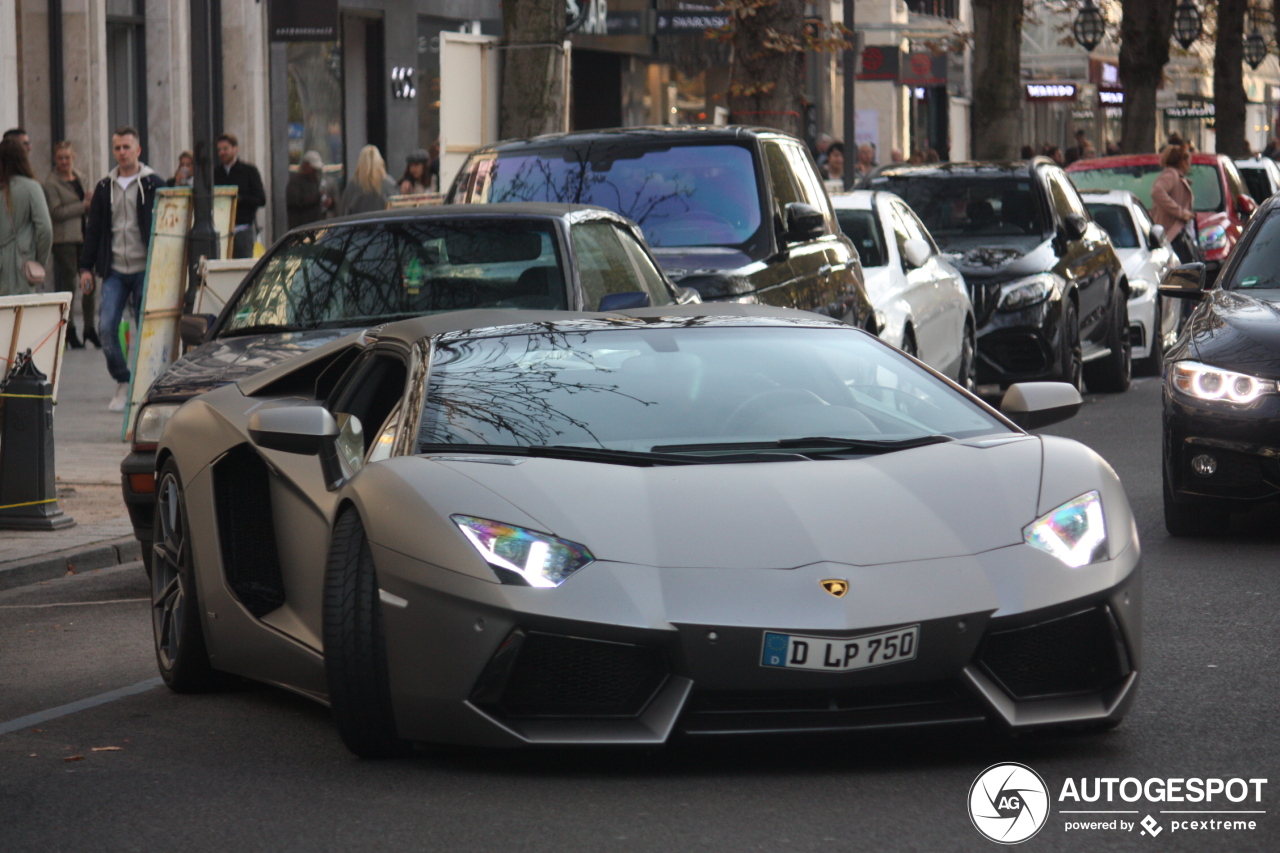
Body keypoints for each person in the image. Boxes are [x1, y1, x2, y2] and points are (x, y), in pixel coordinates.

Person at [78, 126, 165, 412]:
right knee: (106, 327)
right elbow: (94, 230)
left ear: (138, 150)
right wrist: (85, 268)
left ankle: (147, 383)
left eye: (127, 147)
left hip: (144, 268)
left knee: (146, 328)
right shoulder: (105, 187)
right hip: (114, 269)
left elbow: (167, 226)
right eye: (117, 148)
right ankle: (123, 380)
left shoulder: (154, 183)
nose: (122, 152)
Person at [42, 141, 96, 347]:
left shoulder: (81, 177)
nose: (64, 161)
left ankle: (90, 327)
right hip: (64, 239)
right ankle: (70, 328)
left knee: (90, 282)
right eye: (60, 158)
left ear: (74, 157)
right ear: (55, 159)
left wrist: (90, 205)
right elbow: (55, 212)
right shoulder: (51, 183)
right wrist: (82, 205)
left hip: (85, 235)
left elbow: (87, 208)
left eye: (68, 157)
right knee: (69, 284)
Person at [0, 138, 53, 298]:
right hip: (22, 264)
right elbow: (45, 229)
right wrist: (38, 262)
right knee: (20, 318)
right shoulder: (31, 187)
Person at [215, 133, 266, 258]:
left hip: (242, 229)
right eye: (219, 150)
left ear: (235, 149)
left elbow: (260, 199)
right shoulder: (215, 173)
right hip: (220, 230)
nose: (222, 153)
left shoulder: (249, 171)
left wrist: (239, 199)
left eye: (225, 149)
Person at [1152, 143, 1200, 264]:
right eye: (1189, 161)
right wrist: (1180, 212)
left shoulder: (1174, 175)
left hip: (1177, 234)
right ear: (1183, 162)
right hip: (1173, 234)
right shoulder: (1171, 174)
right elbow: (1157, 191)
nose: (1190, 165)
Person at [339, 145, 395, 216]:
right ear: (380, 161)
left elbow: (343, 212)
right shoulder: (389, 184)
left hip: (358, 226)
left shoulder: (352, 186)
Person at [286, 150, 335, 230]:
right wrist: (318, 196)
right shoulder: (295, 182)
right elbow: (297, 202)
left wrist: (329, 203)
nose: (314, 171)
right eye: (313, 169)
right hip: (301, 227)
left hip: (316, 226)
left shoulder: (316, 180)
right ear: (305, 165)